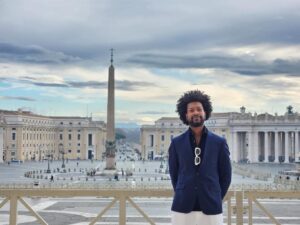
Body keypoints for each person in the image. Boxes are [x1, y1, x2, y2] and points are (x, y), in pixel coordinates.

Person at [168, 90, 231, 225]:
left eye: (199, 109)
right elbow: (174, 174)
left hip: (211, 207)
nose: (195, 112)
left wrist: (216, 197)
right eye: (191, 110)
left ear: (205, 112)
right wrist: (182, 191)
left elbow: (226, 176)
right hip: (182, 206)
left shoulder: (219, 143)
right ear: (186, 115)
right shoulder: (176, 143)